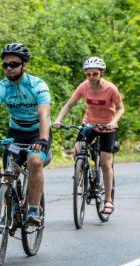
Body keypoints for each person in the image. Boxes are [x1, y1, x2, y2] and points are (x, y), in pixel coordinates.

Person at [0, 43, 51, 225]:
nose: (9, 68)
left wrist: (43, 139)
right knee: (8, 173)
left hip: (36, 133)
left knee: (34, 161)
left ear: (24, 65)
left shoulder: (37, 85)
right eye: (5, 65)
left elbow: (44, 114)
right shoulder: (2, 86)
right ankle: (8, 211)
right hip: (16, 134)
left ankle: (33, 209)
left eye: (14, 64)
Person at [53, 57, 124, 215]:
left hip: (107, 126)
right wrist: (58, 120)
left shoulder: (111, 88)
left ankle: (108, 201)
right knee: (78, 150)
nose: (91, 77)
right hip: (90, 124)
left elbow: (120, 108)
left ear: (101, 74)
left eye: (95, 74)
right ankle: (83, 173)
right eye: (88, 74)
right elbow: (70, 104)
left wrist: (113, 122)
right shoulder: (84, 86)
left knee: (106, 163)